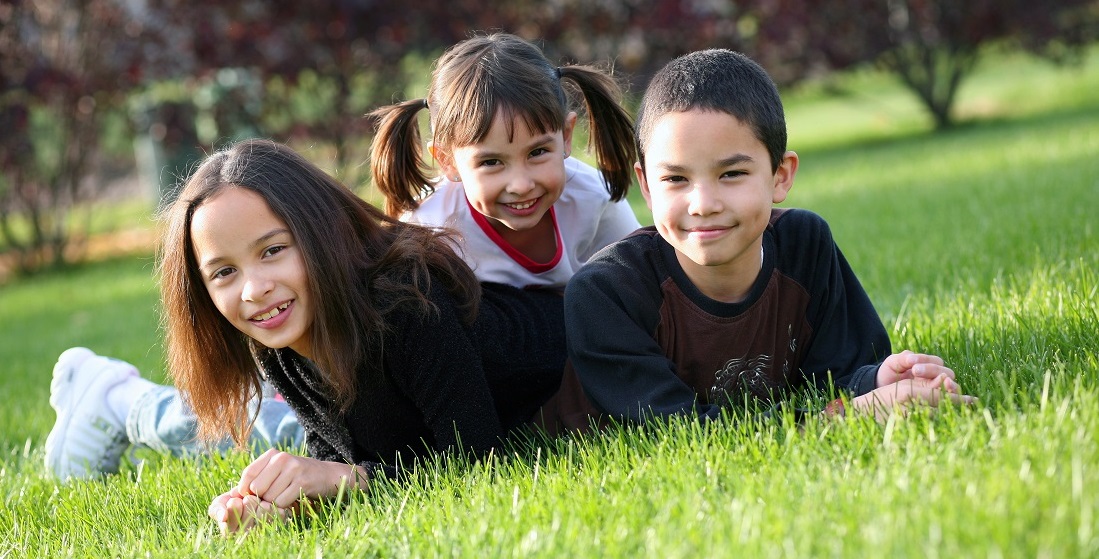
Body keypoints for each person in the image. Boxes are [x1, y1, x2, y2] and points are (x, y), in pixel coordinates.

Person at [44, 32, 642, 482]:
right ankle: (119, 400)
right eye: (223, 272)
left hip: (506, 371)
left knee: (253, 431)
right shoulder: (294, 330)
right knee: (252, 432)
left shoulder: (414, 298)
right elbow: (343, 451)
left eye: (273, 251)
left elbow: (471, 461)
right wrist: (279, 495)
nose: (253, 288)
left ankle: (120, 400)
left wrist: (342, 480)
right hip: (391, 375)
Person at [562, 49, 977, 426]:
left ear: (780, 176)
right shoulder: (607, 293)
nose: (703, 204)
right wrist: (843, 416)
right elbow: (678, 431)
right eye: (675, 178)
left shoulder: (803, 243)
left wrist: (878, 379)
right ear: (647, 187)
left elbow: (832, 373)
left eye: (732, 174)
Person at [370, 31, 641, 288]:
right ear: (447, 161)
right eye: (490, 162)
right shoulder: (430, 229)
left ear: (566, 137)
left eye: (537, 153)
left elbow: (640, 286)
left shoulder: (594, 200)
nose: (521, 185)